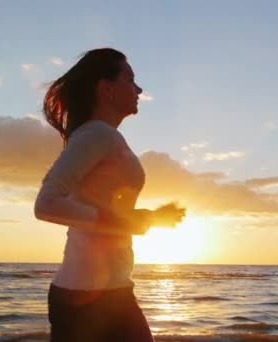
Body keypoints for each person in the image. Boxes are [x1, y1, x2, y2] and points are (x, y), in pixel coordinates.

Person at [34, 47, 186, 342]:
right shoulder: (96, 135)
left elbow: (104, 210)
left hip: (108, 290)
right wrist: (125, 222)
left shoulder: (104, 136)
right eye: (130, 80)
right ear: (107, 89)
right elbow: (46, 204)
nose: (139, 88)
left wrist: (149, 218)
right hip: (87, 295)